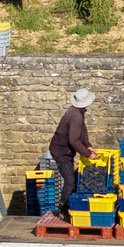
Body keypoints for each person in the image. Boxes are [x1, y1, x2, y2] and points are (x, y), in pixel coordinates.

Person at [49, 88, 96, 218]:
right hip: (60, 152)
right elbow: (74, 140)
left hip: (65, 151)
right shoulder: (76, 115)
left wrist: (88, 145)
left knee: (72, 179)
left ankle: (69, 207)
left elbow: (83, 130)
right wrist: (88, 154)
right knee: (70, 182)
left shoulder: (77, 112)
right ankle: (60, 211)